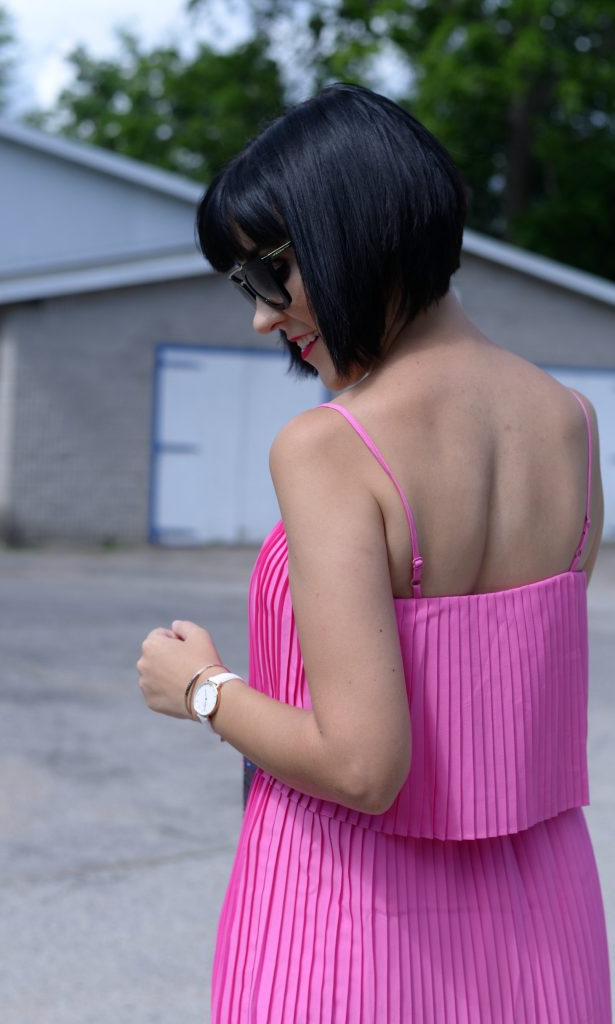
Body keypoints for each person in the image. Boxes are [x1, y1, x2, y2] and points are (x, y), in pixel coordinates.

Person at [137, 84, 610, 1022]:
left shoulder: (331, 447)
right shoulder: (569, 422)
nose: (262, 318)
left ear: (351, 228)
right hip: (543, 926)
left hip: (351, 929)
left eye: (266, 275)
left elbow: (364, 767)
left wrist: (201, 688)